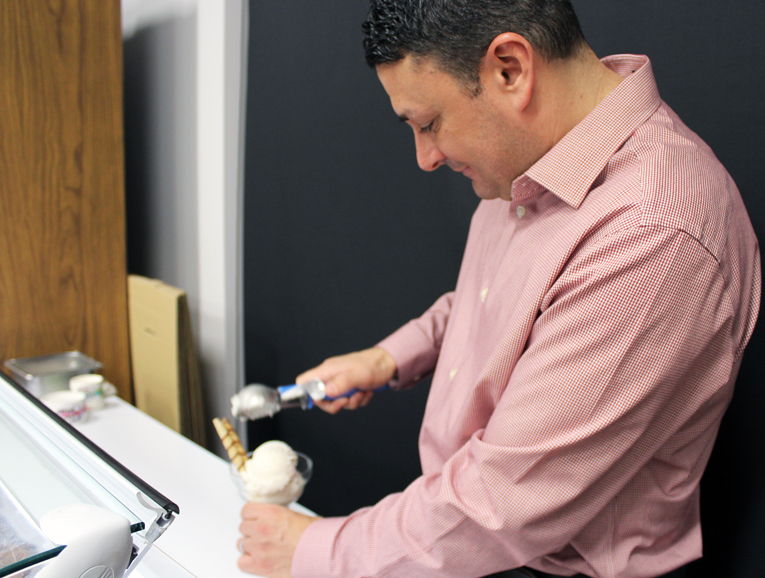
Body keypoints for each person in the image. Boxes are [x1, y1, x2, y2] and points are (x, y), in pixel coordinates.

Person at [236, 1, 761, 577]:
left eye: (429, 123)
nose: (425, 158)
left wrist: (316, 551)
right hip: (459, 532)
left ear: (509, 68)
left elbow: (503, 502)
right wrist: (390, 357)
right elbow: (507, 304)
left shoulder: (655, 234)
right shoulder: (531, 159)